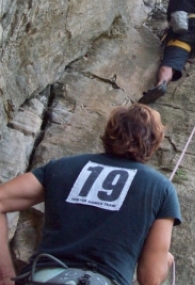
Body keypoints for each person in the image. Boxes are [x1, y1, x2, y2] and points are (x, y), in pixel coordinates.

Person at [0, 104, 181, 285]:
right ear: (153, 140)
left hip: (43, 278)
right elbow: (150, 277)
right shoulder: (161, 188)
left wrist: (5, 276)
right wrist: (164, 260)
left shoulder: (62, 167)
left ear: (111, 132)